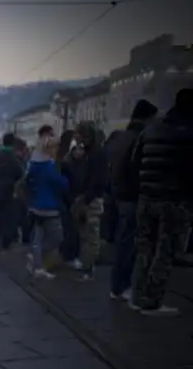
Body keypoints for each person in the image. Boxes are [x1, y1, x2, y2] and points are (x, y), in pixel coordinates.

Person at [129, 89, 193, 316]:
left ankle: (136, 297)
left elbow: (134, 163)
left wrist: (143, 187)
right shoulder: (188, 133)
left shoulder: (151, 129)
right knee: (164, 251)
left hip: (146, 199)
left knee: (144, 247)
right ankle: (152, 301)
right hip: (173, 201)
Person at [107, 99, 158, 301]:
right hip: (132, 195)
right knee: (129, 243)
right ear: (147, 118)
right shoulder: (139, 137)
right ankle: (122, 286)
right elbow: (137, 168)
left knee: (124, 241)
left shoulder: (123, 136)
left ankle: (118, 286)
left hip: (121, 194)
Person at [24, 128, 68, 279]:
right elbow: (61, 184)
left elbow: (28, 183)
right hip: (49, 207)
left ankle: (36, 263)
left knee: (38, 236)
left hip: (35, 206)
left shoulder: (34, 165)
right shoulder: (49, 166)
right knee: (56, 237)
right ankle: (38, 262)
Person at [73, 121, 108, 281]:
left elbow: (98, 180)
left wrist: (85, 197)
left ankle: (89, 267)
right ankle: (86, 264)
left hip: (90, 198)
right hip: (85, 197)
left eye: (78, 134)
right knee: (85, 233)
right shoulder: (88, 153)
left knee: (91, 233)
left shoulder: (95, 154)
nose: (76, 138)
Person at [0, 132, 25, 252]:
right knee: (8, 218)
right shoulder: (13, 158)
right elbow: (20, 173)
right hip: (8, 191)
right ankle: (5, 242)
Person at [59, 142, 87, 267]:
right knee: (71, 230)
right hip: (69, 201)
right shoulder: (67, 165)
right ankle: (70, 256)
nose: (80, 152)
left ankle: (71, 254)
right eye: (77, 149)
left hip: (78, 199)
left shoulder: (82, 164)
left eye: (82, 149)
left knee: (75, 230)